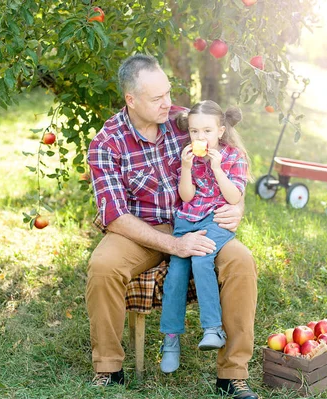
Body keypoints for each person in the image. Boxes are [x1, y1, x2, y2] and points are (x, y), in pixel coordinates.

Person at [86, 54, 259, 399]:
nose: (169, 103)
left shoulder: (183, 121)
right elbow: (115, 216)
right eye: (157, 98)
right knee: (103, 267)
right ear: (131, 100)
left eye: (168, 93)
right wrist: (175, 245)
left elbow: (232, 152)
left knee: (241, 262)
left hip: (200, 222)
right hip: (139, 231)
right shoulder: (107, 144)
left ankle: (233, 374)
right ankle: (108, 369)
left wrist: (237, 205)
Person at [159, 100, 250, 375]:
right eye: (195, 131)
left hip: (217, 220)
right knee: (176, 273)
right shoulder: (187, 157)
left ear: (220, 131)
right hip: (187, 220)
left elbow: (234, 197)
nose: (200, 138)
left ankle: (213, 329)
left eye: (207, 131)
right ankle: (171, 340)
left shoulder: (233, 158)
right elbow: (186, 196)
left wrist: (218, 168)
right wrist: (186, 168)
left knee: (201, 258)